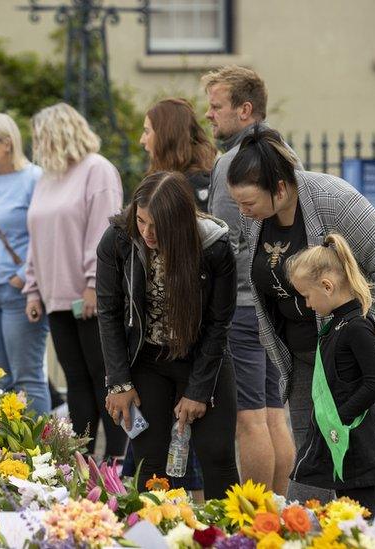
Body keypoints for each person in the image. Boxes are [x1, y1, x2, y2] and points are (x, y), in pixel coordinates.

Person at [226, 125, 375, 513]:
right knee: (314, 452)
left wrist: (357, 331)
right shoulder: (255, 217)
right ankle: (321, 535)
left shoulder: (335, 201)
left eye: (247, 202)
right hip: (307, 356)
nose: (242, 213)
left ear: (280, 189)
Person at [98, 171, 239, 499]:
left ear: (179, 221)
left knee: (216, 454)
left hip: (201, 356)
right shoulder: (118, 239)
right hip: (147, 359)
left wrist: (199, 391)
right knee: (150, 461)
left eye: (157, 225)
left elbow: (219, 325)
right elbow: (109, 314)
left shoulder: (214, 247)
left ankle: (230, 536)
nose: (147, 232)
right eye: (142, 220)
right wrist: (119, 382)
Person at [201, 65, 297, 494]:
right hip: (278, 301)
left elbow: (223, 239)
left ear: (244, 110)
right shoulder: (283, 151)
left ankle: (255, 517)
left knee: (249, 417)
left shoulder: (232, 163)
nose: (209, 116)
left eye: (216, 106)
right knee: (276, 413)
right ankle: (278, 511)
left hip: (242, 305)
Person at [24, 103, 126, 458]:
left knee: (105, 378)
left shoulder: (97, 171)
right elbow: (34, 236)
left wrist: (94, 283)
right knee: (75, 379)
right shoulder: (46, 178)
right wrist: (33, 288)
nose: (36, 143)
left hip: (88, 295)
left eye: (40, 136)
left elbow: (103, 231)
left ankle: (116, 456)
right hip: (55, 296)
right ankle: (80, 458)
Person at [136, 97, 214, 497]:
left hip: (191, 330)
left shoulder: (197, 185)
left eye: (148, 130)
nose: (142, 140)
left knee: (192, 439)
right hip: (156, 337)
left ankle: (191, 509)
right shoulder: (158, 186)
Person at [285, 233, 375, 514]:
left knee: (356, 524)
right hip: (344, 441)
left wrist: (340, 418)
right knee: (343, 520)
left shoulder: (356, 326)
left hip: (356, 440)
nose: (307, 304)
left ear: (327, 286)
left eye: (307, 296)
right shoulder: (335, 325)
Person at [0, 113, 51, 415]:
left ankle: (43, 453)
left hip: (17, 289)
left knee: (27, 378)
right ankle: (7, 454)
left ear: (7, 143)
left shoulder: (34, 178)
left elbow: (42, 235)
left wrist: (22, 277)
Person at [140, 98, 217, 210]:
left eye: (147, 132)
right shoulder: (171, 179)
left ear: (166, 136)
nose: (142, 140)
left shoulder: (193, 187)